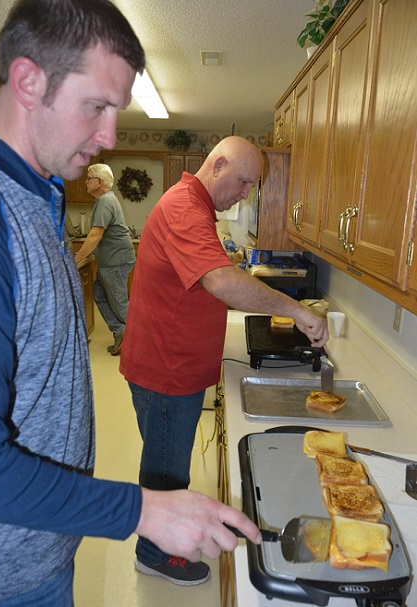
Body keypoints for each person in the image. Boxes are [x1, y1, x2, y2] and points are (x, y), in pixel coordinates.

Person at [0, 2, 261, 604]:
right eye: (97, 107)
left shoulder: (39, 198)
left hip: (42, 552)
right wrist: (140, 511)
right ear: (30, 81)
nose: (112, 137)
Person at [120, 135, 329, 585]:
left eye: (251, 186)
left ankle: (166, 536)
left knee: (168, 463)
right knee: (164, 467)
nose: (245, 194)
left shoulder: (194, 206)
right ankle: (153, 552)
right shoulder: (183, 206)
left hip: (173, 364)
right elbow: (220, 280)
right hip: (167, 370)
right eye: (243, 182)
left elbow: (208, 278)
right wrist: (294, 309)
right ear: (217, 166)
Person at [74, 163, 135, 355]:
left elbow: (95, 235)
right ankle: (121, 333)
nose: (86, 182)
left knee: (119, 303)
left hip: (115, 262)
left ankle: (136, 345)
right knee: (99, 294)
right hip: (112, 261)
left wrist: (77, 258)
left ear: (99, 182)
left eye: (89, 178)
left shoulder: (105, 202)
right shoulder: (105, 200)